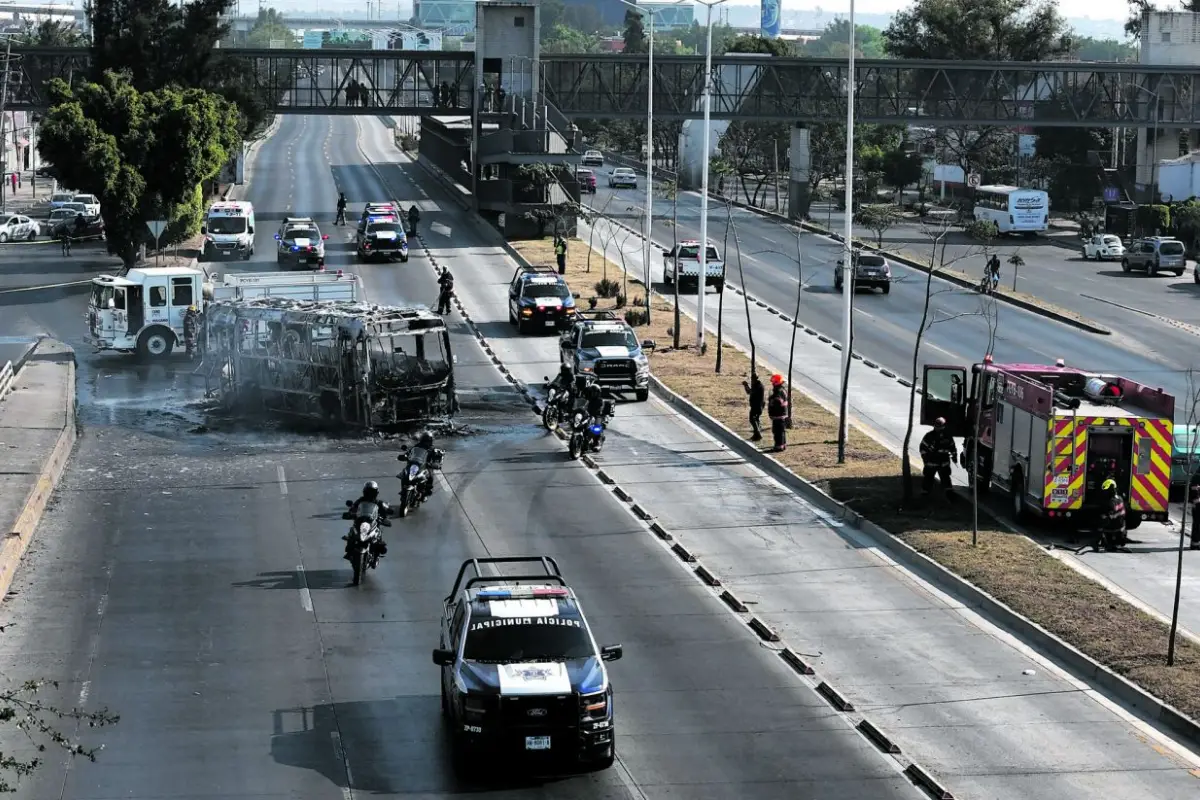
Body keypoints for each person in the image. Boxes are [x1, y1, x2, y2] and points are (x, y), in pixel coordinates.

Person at [344, 480, 390, 558]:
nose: (370, 493)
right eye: (368, 491)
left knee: (378, 535)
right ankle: (350, 548)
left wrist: (386, 514)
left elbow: (385, 510)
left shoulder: (378, 502)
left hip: (373, 522)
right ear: (365, 491)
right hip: (360, 521)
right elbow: (353, 508)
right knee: (352, 531)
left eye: (372, 491)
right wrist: (350, 513)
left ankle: (377, 550)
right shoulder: (360, 500)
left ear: (376, 492)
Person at [919, 417, 957, 498]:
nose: (938, 428)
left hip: (944, 463)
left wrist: (954, 456)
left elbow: (952, 447)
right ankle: (924, 496)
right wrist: (926, 460)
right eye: (937, 426)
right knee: (928, 479)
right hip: (931, 462)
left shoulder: (948, 436)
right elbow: (922, 449)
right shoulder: (929, 436)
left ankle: (949, 496)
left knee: (946, 479)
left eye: (940, 426)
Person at [1095, 478, 1129, 552]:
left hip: (1112, 528)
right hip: (1121, 528)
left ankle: (1102, 541)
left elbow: (1108, 516)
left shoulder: (1110, 502)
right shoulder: (1120, 498)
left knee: (1100, 520)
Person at [767, 374, 788, 452]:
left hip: (778, 415)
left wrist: (771, 398)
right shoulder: (782, 390)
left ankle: (779, 447)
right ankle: (783, 445)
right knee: (781, 431)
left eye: (773, 382)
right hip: (781, 415)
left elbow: (778, 401)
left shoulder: (778, 391)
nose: (772, 384)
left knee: (777, 432)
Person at [742, 371, 764, 441]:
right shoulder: (757, 385)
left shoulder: (758, 386)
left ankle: (758, 434)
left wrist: (746, 385)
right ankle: (756, 435)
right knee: (756, 420)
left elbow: (749, 392)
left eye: (752, 378)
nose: (751, 380)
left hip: (757, 406)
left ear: (755, 378)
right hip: (757, 405)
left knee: (752, 419)